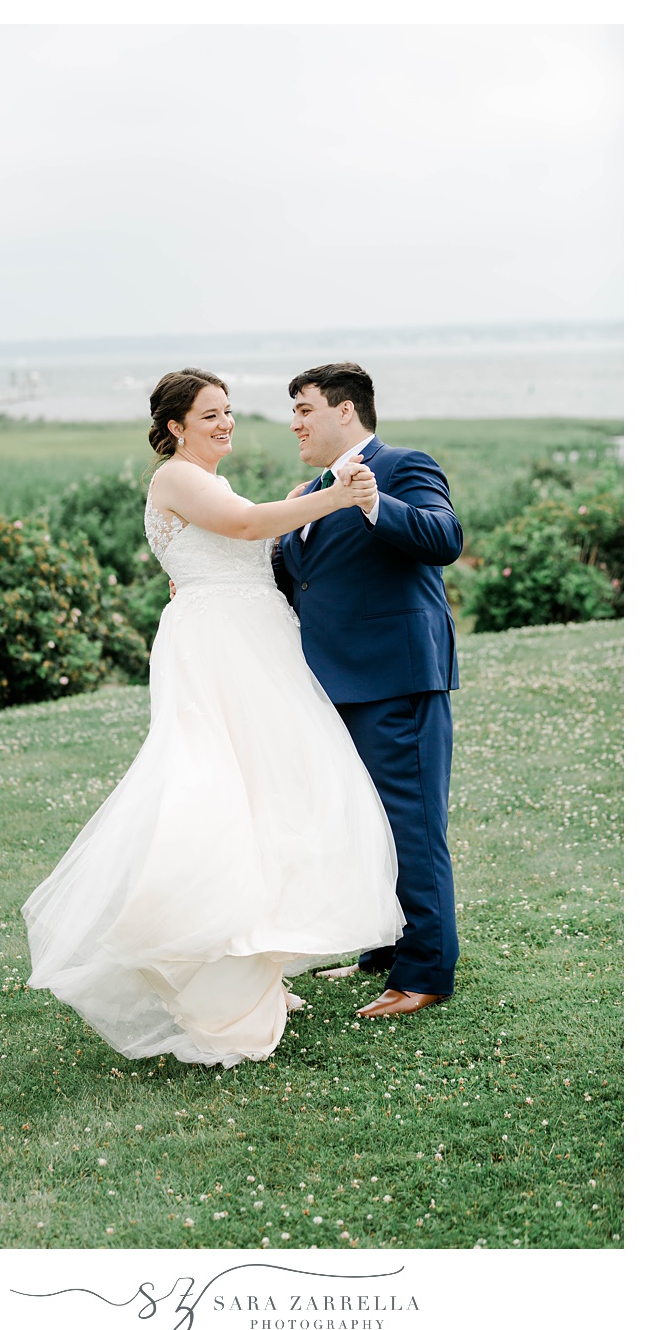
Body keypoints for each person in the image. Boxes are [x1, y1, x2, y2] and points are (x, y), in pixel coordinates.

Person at [22, 368, 404, 1069]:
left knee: (272, 796)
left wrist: (298, 504)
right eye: (209, 415)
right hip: (218, 648)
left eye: (229, 411)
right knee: (216, 792)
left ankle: (253, 954)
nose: (226, 423)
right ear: (174, 427)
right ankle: (201, 958)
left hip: (256, 643)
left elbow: (251, 527)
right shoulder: (174, 478)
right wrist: (332, 497)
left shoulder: (213, 481)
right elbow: (242, 525)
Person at [272, 362, 463, 1018]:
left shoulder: (403, 465)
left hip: (396, 678)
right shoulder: (310, 489)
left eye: (304, 408)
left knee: (411, 828)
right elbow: (298, 577)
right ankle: (381, 949)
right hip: (332, 685)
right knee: (366, 825)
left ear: (345, 412)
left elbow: (444, 536)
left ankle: (425, 970)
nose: (293, 422)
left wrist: (371, 498)